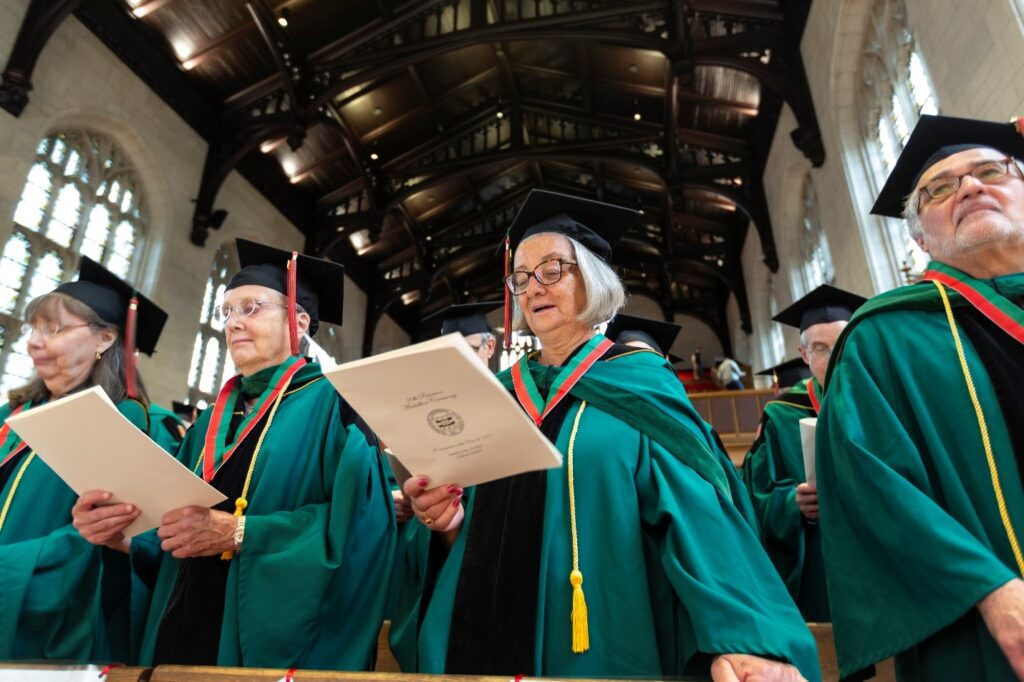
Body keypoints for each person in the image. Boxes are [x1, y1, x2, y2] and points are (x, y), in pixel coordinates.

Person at [400, 189, 820, 680]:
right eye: (520, 277)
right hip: (481, 635)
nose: (533, 288)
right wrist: (444, 522)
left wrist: (746, 639)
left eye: (552, 270)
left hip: (602, 640)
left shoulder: (640, 383)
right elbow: (463, 525)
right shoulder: (493, 395)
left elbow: (697, 521)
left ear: (593, 279)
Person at [72, 239, 395, 670]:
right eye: (227, 312)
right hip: (178, 639)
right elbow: (173, 536)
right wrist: (123, 538)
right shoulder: (209, 423)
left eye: (252, 308)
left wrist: (241, 533)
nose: (233, 323)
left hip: (263, 651)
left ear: (298, 322)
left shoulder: (337, 406)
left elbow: (361, 530)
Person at [815, 114, 1024, 680]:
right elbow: (871, 486)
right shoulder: (883, 339)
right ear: (918, 237)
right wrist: (991, 591)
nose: (971, 186)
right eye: (940, 187)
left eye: (990, 170)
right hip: (990, 633)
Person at [0, 257, 166, 662]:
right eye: (33, 329)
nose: (33, 342)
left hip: (43, 616)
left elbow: (109, 530)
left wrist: (9, 570)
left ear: (105, 339)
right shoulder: (11, 414)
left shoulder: (121, 418)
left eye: (52, 329)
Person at [388, 300, 502, 671]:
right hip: (436, 562)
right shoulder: (426, 412)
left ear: (490, 346)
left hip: (497, 574)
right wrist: (404, 503)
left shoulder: (514, 407)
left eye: (466, 352)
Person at [742, 285, 865, 622]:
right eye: (820, 349)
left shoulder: (882, 398)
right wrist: (790, 504)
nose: (835, 356)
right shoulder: (782, 416)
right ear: (804, 354)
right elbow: (753, 497)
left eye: (842, 343)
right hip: (819, 560)